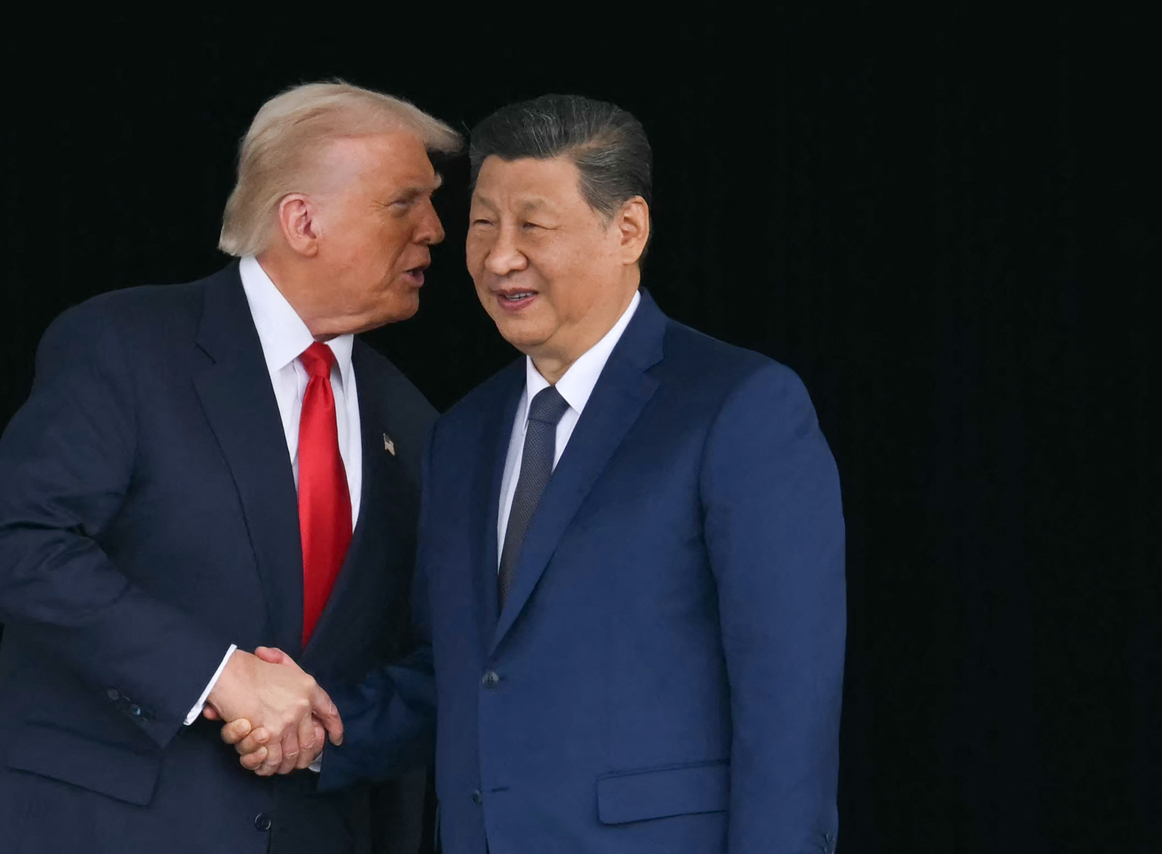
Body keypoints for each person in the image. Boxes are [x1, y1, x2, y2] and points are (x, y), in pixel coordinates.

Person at [233, 93, 846, 854]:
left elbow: (788, 701)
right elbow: (455, 673)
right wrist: (316, 733)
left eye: (533, 225)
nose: (499, 258)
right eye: (484, 223)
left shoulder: (738, 408)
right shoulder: (459, 434)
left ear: (628, 230)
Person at [0, 81, 461, 854]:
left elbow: (434, 656)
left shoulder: (417, 424)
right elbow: (21, 543)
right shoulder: (127, 344)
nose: (436, 230)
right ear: (302, 221)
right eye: (403, 203)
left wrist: (318, 739)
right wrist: (217, 675)